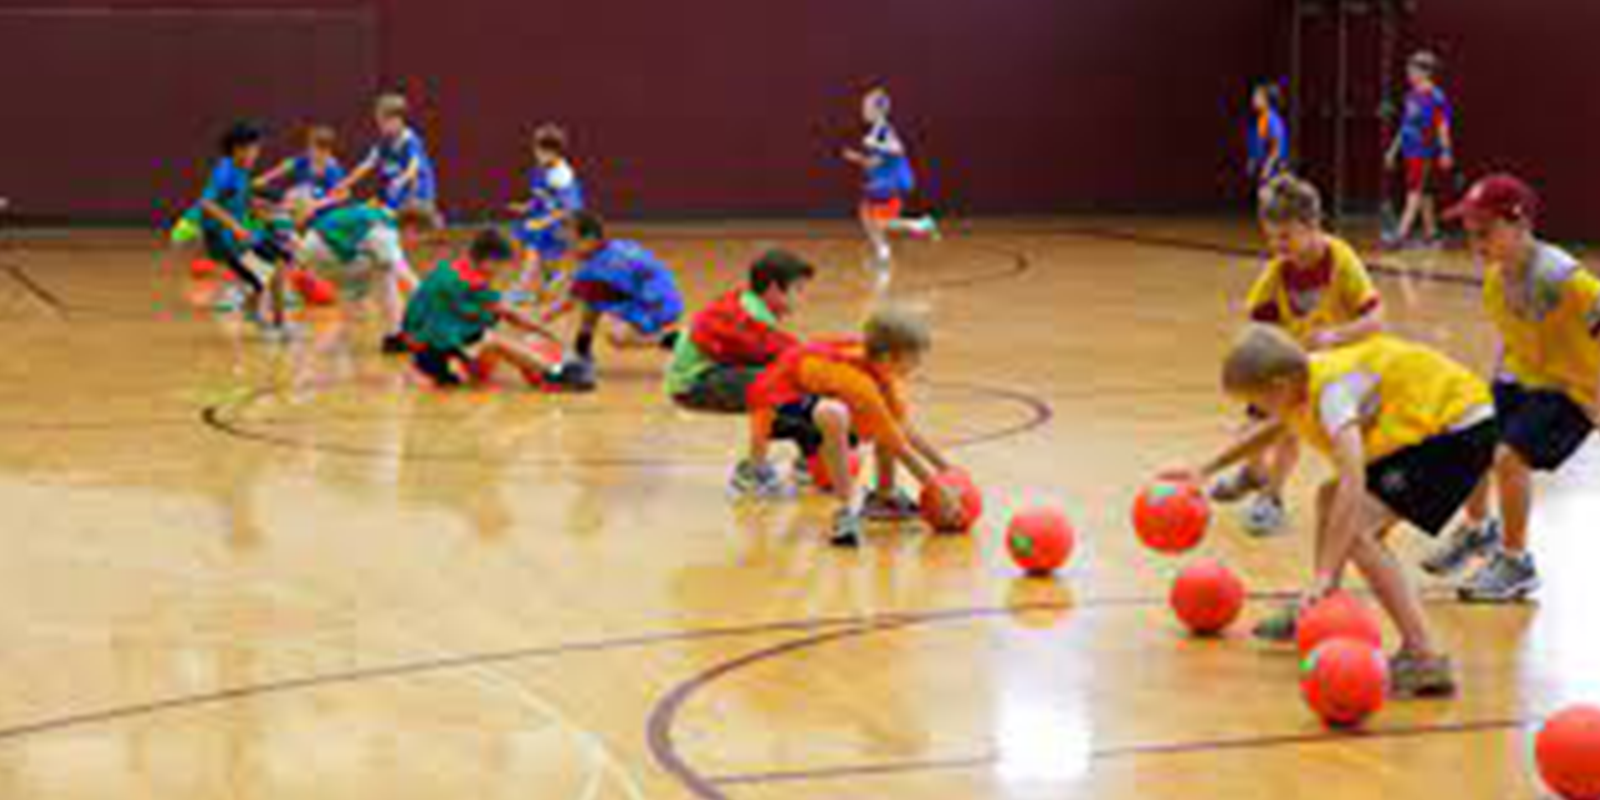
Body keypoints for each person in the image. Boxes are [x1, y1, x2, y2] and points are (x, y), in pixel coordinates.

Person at [1168, 327, 1498, 698]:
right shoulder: (1302, 383)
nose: (1257, 412)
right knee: (1327, 498)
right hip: (1437, 425)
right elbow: (1273, 429)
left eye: (1257, 401)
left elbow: (1352, 477)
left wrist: (1326, 568)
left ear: (1279, 385)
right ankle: (1321, 605)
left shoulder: (1332, 393)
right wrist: (1205, 469)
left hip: (1458, 430)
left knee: (1359, 532)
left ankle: (1423, 656)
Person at [1420, 174, 1600, 602]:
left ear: (1519, 225)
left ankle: (1517, 562)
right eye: (1470, 233)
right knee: (1469, 433)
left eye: (1486, 232)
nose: (1475, 242)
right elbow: (1510, 337)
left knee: (1509, 457)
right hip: (1526, 377)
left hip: (1574, 390)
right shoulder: (1495, 281)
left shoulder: (1566, 282)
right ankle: (1479, 529)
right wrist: (1491, 389)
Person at [1211, 175, 1385, 535]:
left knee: (1289, 430)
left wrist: (1337, 335)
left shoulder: (1342, 260)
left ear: (1312, 226)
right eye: (1271, 237)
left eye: (1285, 236)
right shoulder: (1275, 275)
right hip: (1286, 365)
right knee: (1253, 427)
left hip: (1334, 369)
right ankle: (1253, 473)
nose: (1277, 245)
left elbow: (1376, 319)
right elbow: (1259, 328)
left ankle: (1272, 498)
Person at [740, 305, 963, 547]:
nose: (918, 364)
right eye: (915, 358)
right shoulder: (857, 383)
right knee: (838, 415)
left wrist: (946, 470)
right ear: (890, 357)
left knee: (882, 423)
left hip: (809, 398)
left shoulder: (880, 367)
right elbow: (897, 443)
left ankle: (883, 497)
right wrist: (940, 491)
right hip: (773, 405)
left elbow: (902, 426)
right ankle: (844, 511)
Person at [400, 229, 564, 389]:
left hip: (420, 345)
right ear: (489, 261)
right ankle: (553, 371)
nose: (500, 272)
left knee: (486, 325)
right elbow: (513, 316)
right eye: (500, 266)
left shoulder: (449, 268)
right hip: (435, 346)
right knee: (495, 340)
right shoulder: (472, 283)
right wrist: (549, 334)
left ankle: (441, 370)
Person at [544, 211, 683, 389]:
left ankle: (673, 340)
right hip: (656, 296)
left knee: (617, 336)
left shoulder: (599, 269)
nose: (568, 250)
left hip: (656, 305)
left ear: (591, 239)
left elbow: (566, 304)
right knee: (592, 300)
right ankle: (582, 348)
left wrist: (537, 320)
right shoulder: (614, 248)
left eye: (571, 243)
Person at [665, 249, 815, 413]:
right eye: (798, 289)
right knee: (781, 382)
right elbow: (768, 352)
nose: (802, 297)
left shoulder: (746, 301)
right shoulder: (752, 316)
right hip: (694, 385)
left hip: (696, 378)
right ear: (774, 288)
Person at [291, 199, 433, 352]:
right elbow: (403, 273)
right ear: (411, 228)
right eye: (420, 237)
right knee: (384, 271)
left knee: (373, 275)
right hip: (324, 253)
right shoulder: (384, 230)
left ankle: (350, 318)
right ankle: (394, 336)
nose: (418, 244)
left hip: (320, 252)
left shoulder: (381, 218)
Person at [194, 121, 291, 332]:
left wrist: (268, 208)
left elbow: (242, 198)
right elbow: (207, 203)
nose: (256, 154)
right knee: (276, 267)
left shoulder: (241, 170)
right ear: (238, 149)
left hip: (237, 236)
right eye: (252, 149)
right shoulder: (225, 171)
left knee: (277, 261)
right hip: (223, 240)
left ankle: (253, 309)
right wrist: (236, 228)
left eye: (257, 148)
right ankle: (280, 325)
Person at [842, 87, 939, 279]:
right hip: (883, 179)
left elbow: (896, 149)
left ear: (877, 110)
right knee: (865, 212)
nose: (863, 109)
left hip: (895, 180)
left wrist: (868, 150)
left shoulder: (883, 130)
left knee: (880, 221)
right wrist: (860, 158)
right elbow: (875, 162)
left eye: (866, 106)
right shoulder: (875, 132)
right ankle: (883, 250)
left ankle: (920, 225)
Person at [1385, 51, 1455, 248]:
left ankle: (1400, 235)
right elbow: (1404, 125)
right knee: (1424, 194)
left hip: (1423, 152)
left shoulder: (1436, 97)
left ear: (1426, 72)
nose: (1409, 73)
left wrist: (1445, 150)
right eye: (1409, 69)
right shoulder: (1410, 95)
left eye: (1413, 69)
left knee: (1413, 192)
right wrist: (1393, 149)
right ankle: (1432, 235)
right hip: (1408, 150)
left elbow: (1443, 126)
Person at [509, 124, 585, 307]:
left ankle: (522, 289)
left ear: (555, 153)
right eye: (537, 150)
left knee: (534, 251)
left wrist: (544, 222)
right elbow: (541, 197)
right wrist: (526, 207)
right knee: (532, 249)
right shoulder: (541, 169)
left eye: (543, 152)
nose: (538, 155)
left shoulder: (562, 176)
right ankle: (554, 279)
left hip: (561, 224)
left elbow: (568, 209)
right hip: (544, 218)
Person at [337, 93, 441, 221]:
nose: (380, 126)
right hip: (396, 200)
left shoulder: (409, 139)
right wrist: (344, 184)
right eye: (378, 121)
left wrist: (402, 180)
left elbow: (413, 167)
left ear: (398, 120)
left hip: (418, 199)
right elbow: (366, 164)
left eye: (383, 122)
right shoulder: (383, 143)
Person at [257, 125, 347, 213]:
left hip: (315, 209)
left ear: (327, 150)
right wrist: (265, 178)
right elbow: (286, 166)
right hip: (295, 201)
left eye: (315, 149)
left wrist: (315, 205)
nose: (311, 151)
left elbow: (340, 196)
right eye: (310, 147)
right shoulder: (305, 160)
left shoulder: (333, 170)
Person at [1247, 82, 1289, 199]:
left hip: (1275, 168)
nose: (1254, 99)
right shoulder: (1260, 119)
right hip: (1264, 166)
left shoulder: (1272, 118)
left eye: (1257, 96)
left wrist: (1268, 166)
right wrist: (1252, 160)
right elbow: (1257, 143)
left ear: (1267, 100)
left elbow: (1277, 145)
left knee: (1270, 203)